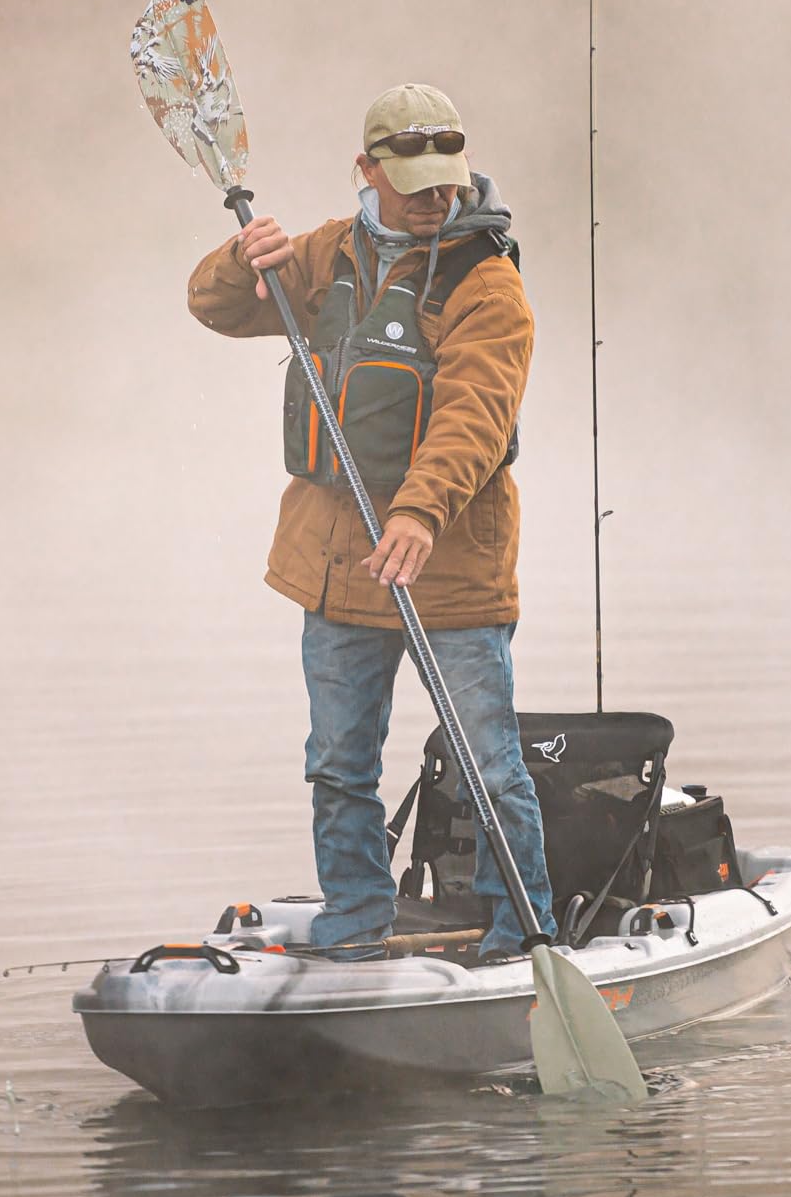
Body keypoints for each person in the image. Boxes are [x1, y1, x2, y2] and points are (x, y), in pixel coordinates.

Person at [186, 83, 555, 963]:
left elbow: (477, 415)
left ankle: (522, 930)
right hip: (338, 569)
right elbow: (214, 304)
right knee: (338, 762)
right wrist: (248, 258)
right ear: (368, 172)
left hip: (450, 575)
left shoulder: (488, 283)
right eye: (415, 184)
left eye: (445, 184)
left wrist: (422, 512)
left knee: (489, 765)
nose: (434, 201)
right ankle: (355, 919)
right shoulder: (328, 254)